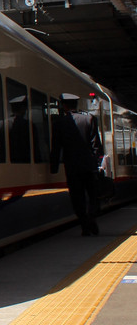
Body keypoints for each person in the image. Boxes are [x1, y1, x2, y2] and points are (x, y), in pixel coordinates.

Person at [50, 93, 104, 236]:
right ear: (76, 104)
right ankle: (92, 217)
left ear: (64, 105)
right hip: (89, 166)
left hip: (72, 167)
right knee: (92, 194)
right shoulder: (89, 119)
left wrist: (53, 167)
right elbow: (96, 145)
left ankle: (84, 224)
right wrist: (97, 163)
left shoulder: (59, 124)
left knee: (77, 196)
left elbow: (56, 148)